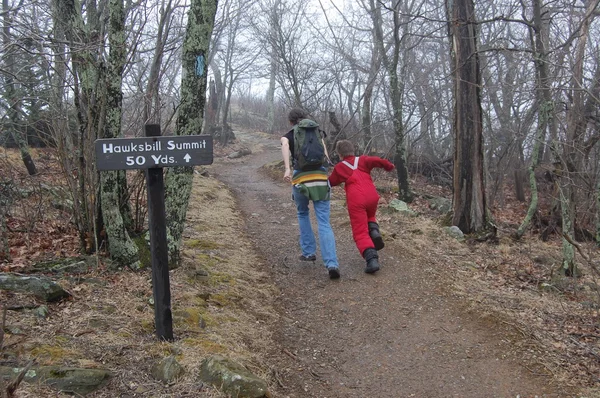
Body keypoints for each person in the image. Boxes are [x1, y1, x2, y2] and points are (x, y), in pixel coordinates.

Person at [281, 108, 341, 279]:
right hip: (321, 178)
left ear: (291, 121)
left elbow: (285, 144)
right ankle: (332, 263)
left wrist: (287, 169)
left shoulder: (288, 135)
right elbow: (325, 157)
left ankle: (308, 252)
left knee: (302, 213)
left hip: (301, 179)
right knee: (324, 222)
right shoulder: (316, 132)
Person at [328, 140, 395, 274]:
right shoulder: (363, 160)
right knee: (370, 215)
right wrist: (389, 166)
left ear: (340, 154)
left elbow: (331, 182)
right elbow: (378, 160)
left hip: (356, 200)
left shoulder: (340, 167)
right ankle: (374, 231)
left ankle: (372, 260)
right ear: (353, 150)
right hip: (372, 196)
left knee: (360, 232)